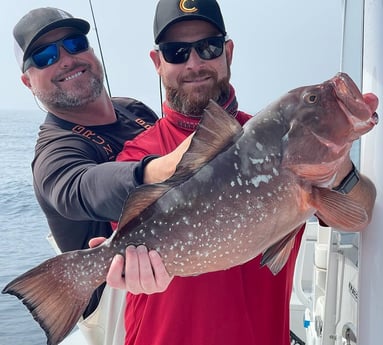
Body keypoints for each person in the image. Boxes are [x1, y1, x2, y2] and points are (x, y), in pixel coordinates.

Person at [106, 0, 378, 345]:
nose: (194, 63)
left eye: (208, 47)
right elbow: (125, 242)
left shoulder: (275, 139)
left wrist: (337, 169)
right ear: (157, 63)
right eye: (176, 52)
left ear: (228, 52)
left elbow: (360, 215)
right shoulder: (138, 159)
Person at [13, 7, 185, 324]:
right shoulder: (55, 148)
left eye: (76, 43)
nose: (66, 59)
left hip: (182, 264)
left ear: (90, 52)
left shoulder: (134, 108)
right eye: (45, 56)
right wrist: (156, 171)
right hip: (119, 307)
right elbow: (77, 187)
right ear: (27, 81)